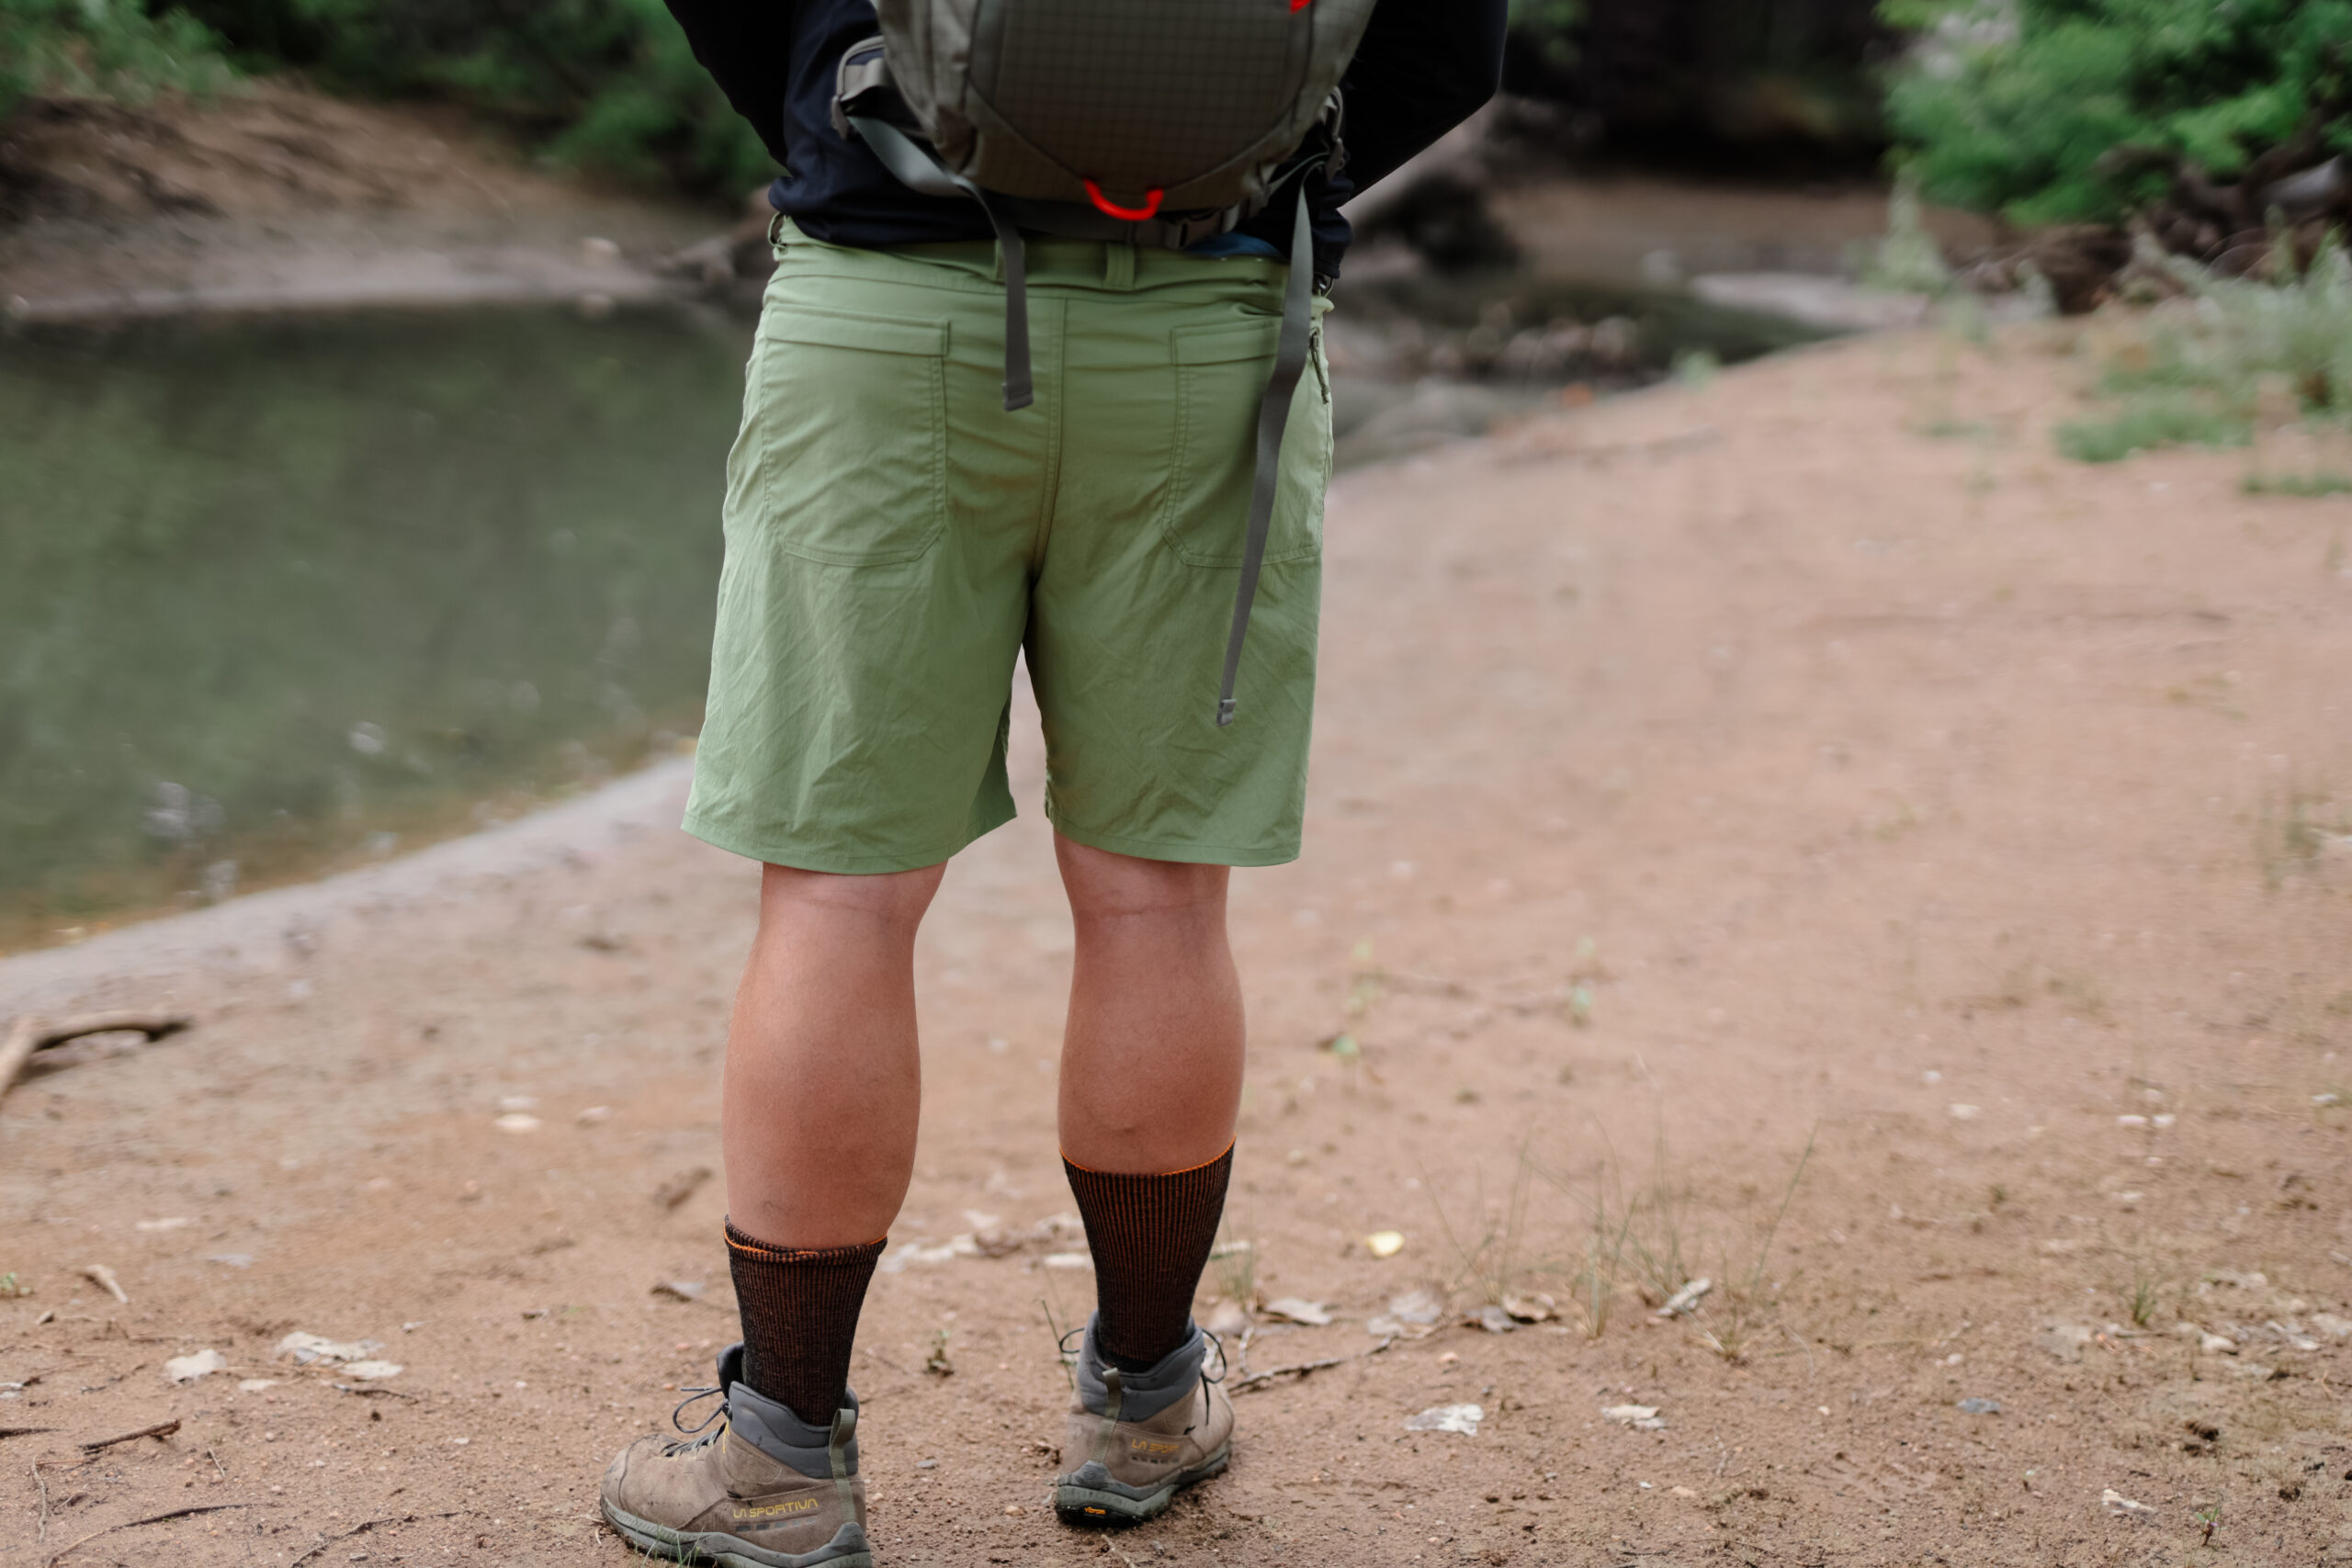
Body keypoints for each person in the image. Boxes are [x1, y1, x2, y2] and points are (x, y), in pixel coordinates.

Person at [599, 5, 1507, 1563]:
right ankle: (1146, 1401)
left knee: (841, 892)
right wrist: (1238, 158)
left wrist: (879, 124)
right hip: (1217, 333)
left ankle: (782, 1459)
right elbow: (1450, 43)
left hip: (887, 318)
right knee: (1156, 894)